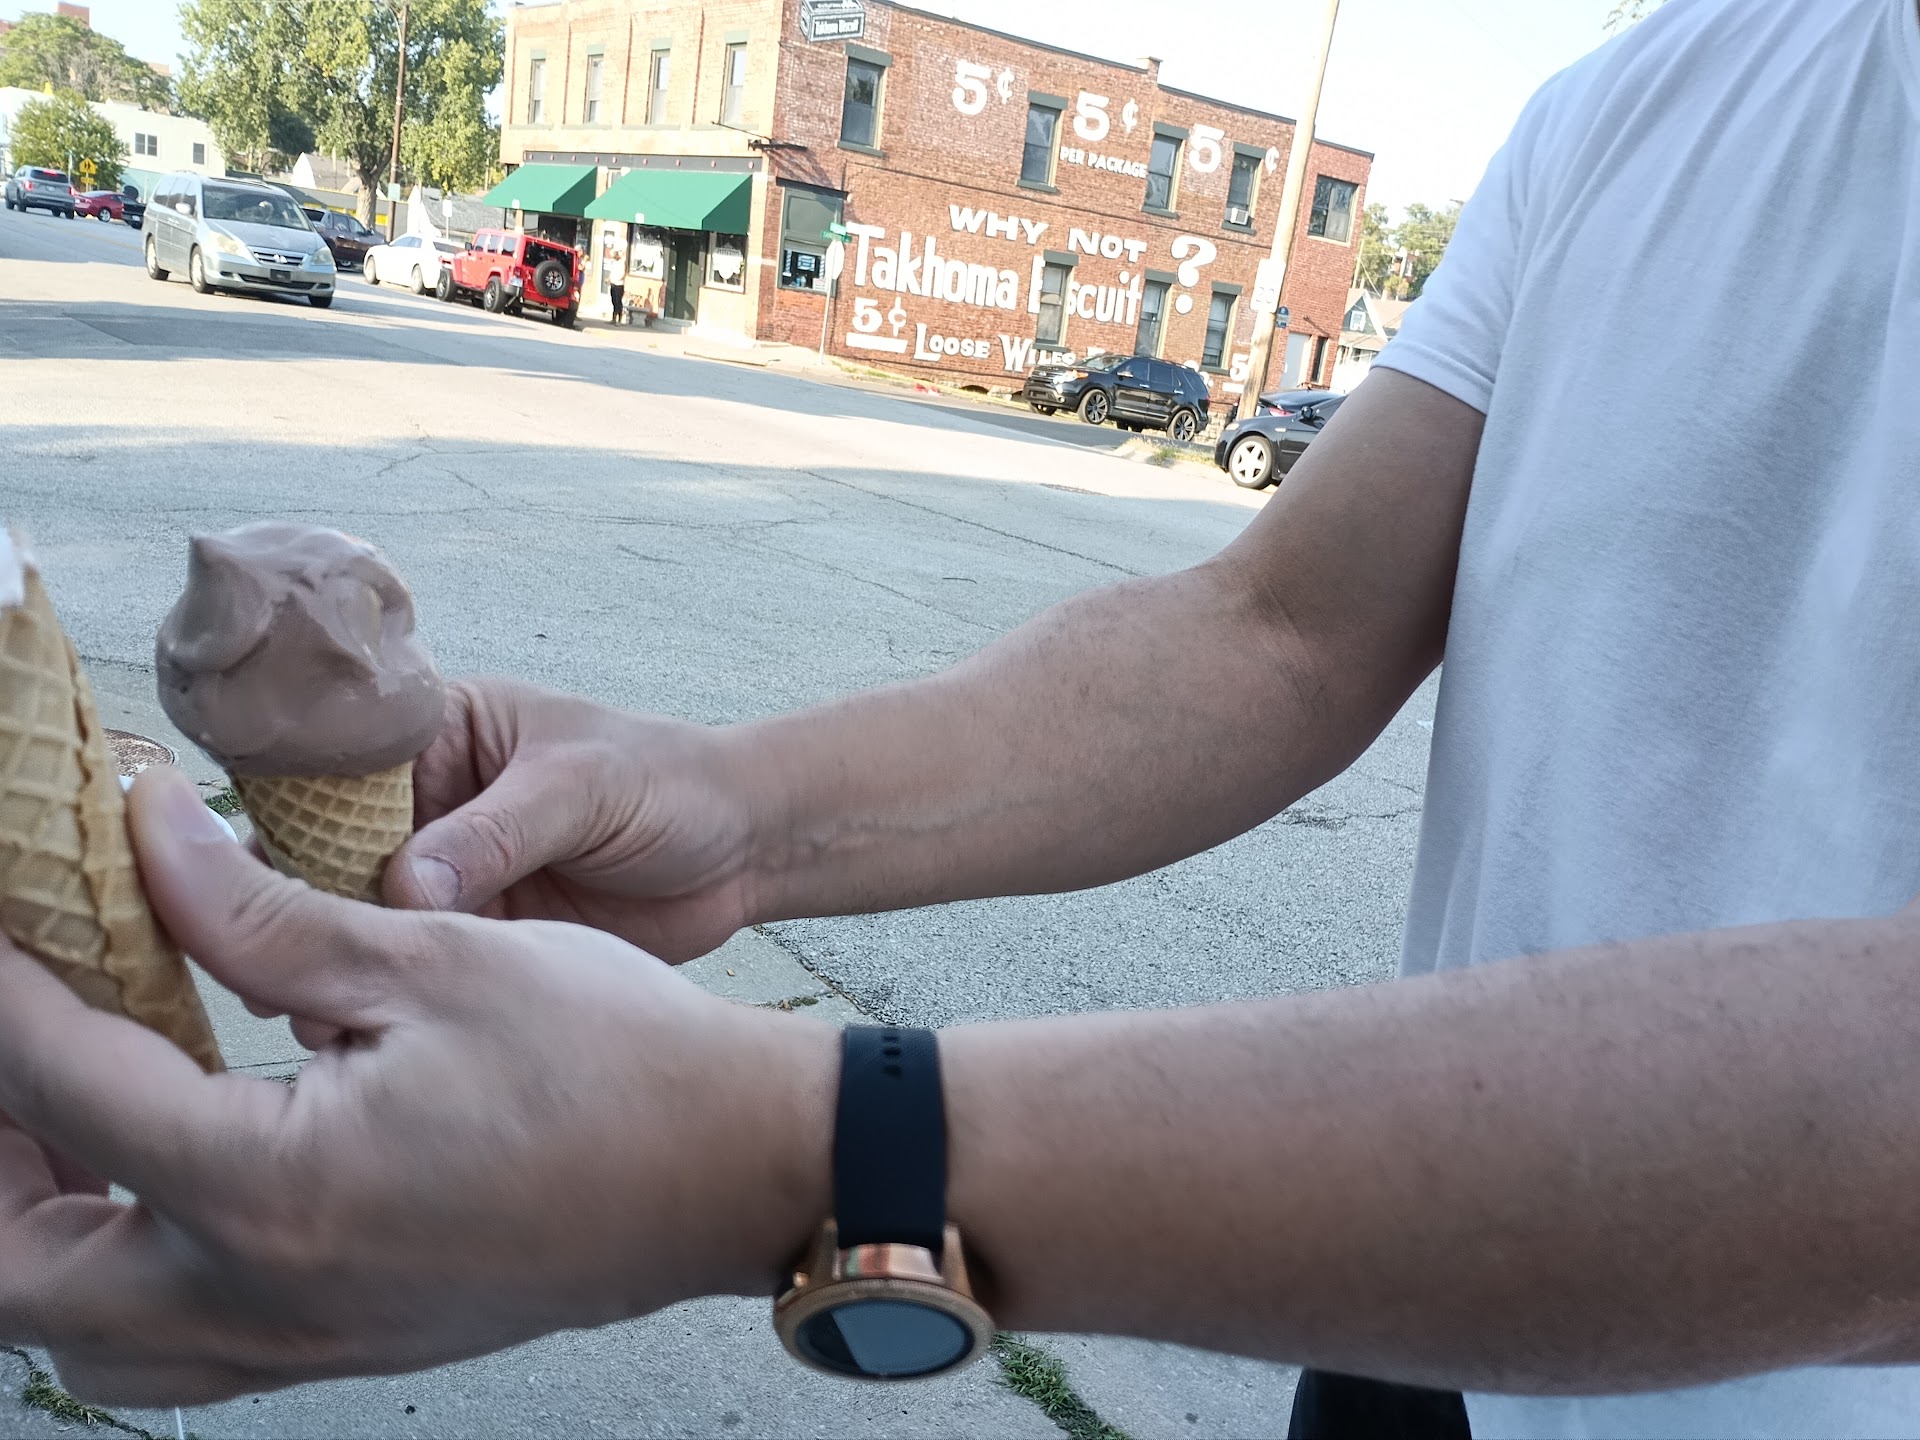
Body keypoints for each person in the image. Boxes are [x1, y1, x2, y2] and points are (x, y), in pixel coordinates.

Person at [5, 0, 1920, 1433]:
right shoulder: (1645, 93)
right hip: (1425, 1334)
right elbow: (1280, 632)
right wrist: (734, 811)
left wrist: (808, 1161)